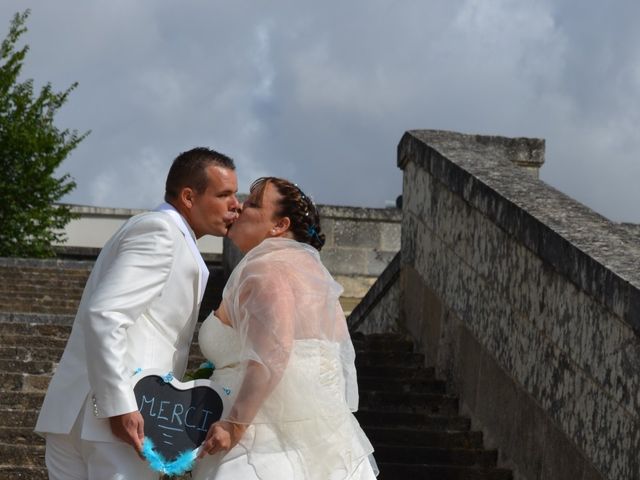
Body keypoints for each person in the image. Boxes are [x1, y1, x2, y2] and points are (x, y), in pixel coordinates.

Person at [35, 147, 241, 480]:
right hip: (119, 420)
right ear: (189, 197)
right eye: (225, 194)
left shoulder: (158, 232)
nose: (237, 204)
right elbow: (105, 315)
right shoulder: (161, 233)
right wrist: (119, 405)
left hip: (86, 415)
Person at [191, 177, 378, 480]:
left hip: (258, 448)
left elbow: (273, 352)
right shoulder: (312, 277)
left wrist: (234, 425)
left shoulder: (267, 267)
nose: (238, 206)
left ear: (279, 226)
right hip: (320, 444)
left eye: (252, 203)